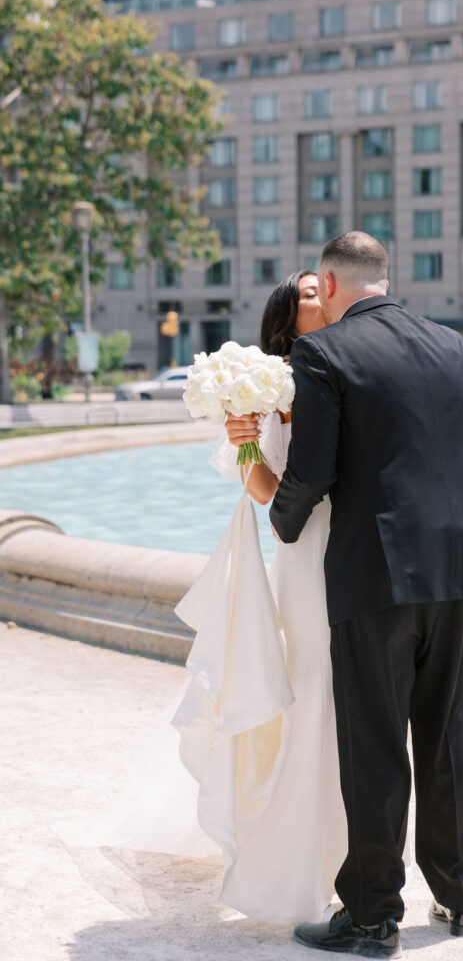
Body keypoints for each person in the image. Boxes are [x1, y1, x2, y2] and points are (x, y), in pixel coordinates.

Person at [54, 269, 349, 927]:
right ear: (288, 316)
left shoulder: (347, 367)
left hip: (354, 555)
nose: (322, 294)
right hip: (306, 556)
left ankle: (335, 852)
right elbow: (265, 491)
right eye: (307, 292)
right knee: (312, 700)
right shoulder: (273, 384)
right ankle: (299, 859)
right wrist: (246, 442)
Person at [269, 233, 463, 958]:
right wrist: (447, 511)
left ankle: (373, 915)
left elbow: (311, 472)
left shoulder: (323, 354)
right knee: (448, 739)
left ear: (328, 281)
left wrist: (281, 525)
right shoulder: (454, 348)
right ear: (384, 277)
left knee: (374, 743)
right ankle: (458, 897)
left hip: (375, 571)